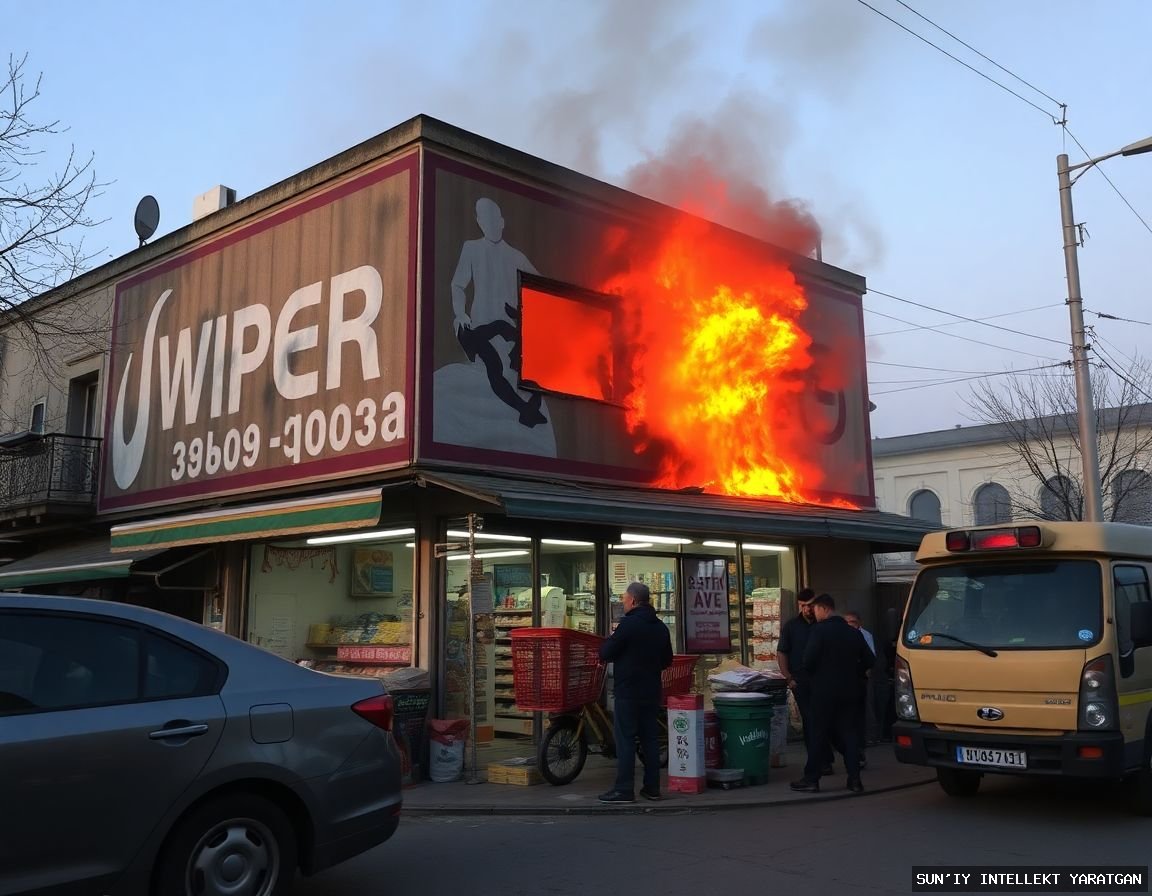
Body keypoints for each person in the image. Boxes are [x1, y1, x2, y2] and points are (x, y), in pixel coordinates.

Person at [450, 197, 546, 427]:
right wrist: (460, 313)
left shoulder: (516, 257)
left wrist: (521, 315)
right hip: (480, 327)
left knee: (520, 365)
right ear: (478, 222)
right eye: (484, 219)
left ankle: (527, 408)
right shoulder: (471, 248)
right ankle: (524, 410)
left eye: (493, 219)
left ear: (502, 222)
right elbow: (457, 284)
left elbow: (541, 289)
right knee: (494, 368)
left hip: (508, 328)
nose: (489, 224)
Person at [597, 581, 673, 803]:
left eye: (624, 599)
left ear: (632, 600)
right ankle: (652, 788)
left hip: (628, 690)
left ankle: (624, 789)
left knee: (626, 739)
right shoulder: (661, 627)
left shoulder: (628, 625)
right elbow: (667, 660)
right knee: (649, 739)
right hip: (651, 691)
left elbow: (606, 652)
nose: (623, 602)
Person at [791, 593, 875, 794]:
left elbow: (808, 660)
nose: (814, 613)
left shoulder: (819, 631)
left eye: (816, 609)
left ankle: (812, 779)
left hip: (823, 692)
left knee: (818, 733)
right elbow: (870, 660)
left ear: (824, 609)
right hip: (850, 691)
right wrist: (855, 673)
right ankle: (855, 780)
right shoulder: (853, 633)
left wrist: (815, 675)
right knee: (850, 734)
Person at [776, 588, 833, 775]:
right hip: (800, 681)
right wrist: (788, 678)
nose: (807, 609)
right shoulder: (792, 626)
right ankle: (818, 762)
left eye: (810, 606)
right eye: (803, 606)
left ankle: (825, 758)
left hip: (823, 680)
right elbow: (782, 652)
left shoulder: (824, 624)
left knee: (824, 719)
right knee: (810, 721)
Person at [842, 610, 875, 766]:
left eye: (852, 622)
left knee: (859, 717)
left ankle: (859, 749)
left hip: (858, 682)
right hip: (844, 682)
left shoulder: (864, 636)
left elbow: (870, 660)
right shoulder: (842, 636)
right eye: (847, 622)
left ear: (859, 623)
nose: (849, 625)